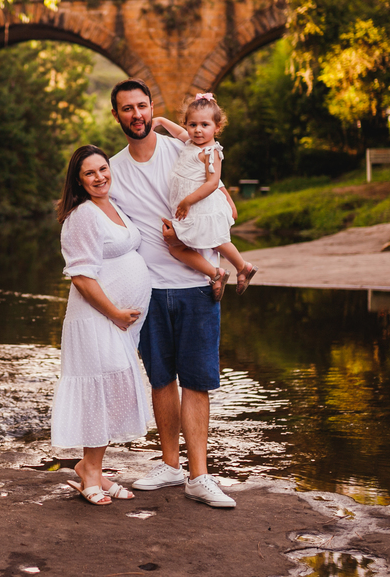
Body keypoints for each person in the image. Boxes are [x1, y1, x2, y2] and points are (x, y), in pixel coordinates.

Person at [106, 79, 238, 508]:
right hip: (147, 289)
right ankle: (169, 465)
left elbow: (211, 176)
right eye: (127, 109)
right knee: (161, 378)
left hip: (195, 286)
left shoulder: (178, 148)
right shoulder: (113, 168)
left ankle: (199, 476)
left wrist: (226, 196)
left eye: (142, 106)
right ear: (117, 116)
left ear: (150, 109)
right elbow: (98, 212)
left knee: (197, 381)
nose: (137, 114)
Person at [50, 144, 153, 506]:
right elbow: (80, 276)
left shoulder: (115, 206)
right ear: (79, 182)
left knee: (114, 389)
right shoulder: (82, 215)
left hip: (116, 320)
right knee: (102, 392)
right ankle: (89, 472)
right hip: (95, 317)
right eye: (89, 173)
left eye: (103, 169)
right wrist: (115, 312)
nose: (99, 177)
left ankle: (91, 467)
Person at [152, 92, 257, 297]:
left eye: (204, 125)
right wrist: (162, 121)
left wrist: (188, 201)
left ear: (217, 127)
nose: (197, 130)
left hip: (203, 207)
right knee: (182, 245)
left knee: (215, 241)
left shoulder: (211, 152)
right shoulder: (191, 143)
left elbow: (212, 182)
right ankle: (226, 271)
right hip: (191, 209)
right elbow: (179, 134)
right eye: (192, 125)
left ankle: (239, 268)